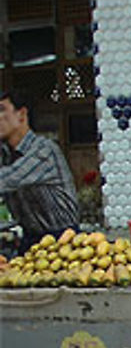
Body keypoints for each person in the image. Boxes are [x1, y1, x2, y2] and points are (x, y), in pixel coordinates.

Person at [0, 90, 78, 255]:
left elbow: (8, 178)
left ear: (21, 114)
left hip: (64, 241)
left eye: (1, 110)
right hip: (30, 241)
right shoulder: (5, 155)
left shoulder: (44, 150)